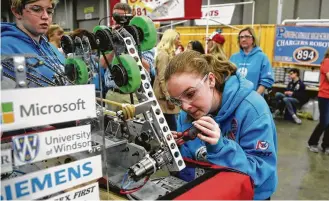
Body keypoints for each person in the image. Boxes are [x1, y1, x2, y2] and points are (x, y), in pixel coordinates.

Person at [165, 51, 277, 200]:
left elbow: (259, 173)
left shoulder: (253, 109)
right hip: (207, 192)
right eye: (177, 101)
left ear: (211, 80)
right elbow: (186, 166)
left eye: (190, 94)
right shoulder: (187, 116)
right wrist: (175, 148)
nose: (185, 107)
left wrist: (220, 148)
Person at [1, 0, 66, 87]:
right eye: (36, 9)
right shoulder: (4, 47)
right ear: (17, 12)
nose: (45, 16)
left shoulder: (50, 47)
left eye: (49, 11)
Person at [230, 27, 274, 94]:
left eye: (247, 36)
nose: (243, 39)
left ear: (253, 39)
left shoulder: (262, 57)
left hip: (252, 99)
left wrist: (255, 97)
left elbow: (266, 80)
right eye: (241, 37)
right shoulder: (233, 57)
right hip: (234, 98)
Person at [153, 29, 181, 131]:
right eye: (178, 39)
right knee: (170, 128)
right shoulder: (163, 55)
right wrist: (169, 98)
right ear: (171, 39)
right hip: (164, 99)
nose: (180, 41)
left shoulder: (168, 54)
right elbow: (162, 78)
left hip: (166, 97)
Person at [308, 48, 329, 154]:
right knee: (324, 122)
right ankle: (312, 142)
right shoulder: (327, 61)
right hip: (325, 96)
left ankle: (326, 145)